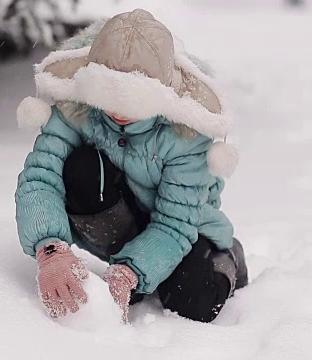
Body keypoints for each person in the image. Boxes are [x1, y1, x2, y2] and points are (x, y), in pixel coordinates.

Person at [15, 9, 247, 323]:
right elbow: (40, 177)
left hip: (181, 227)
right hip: (121, 215)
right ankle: (127, 260)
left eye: (132, 102)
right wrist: (50, 250)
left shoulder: (186, 134)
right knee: (80, 167)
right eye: (109, 96)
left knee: (191, 302)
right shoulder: (78, 107)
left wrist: (130, 273)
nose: (117, 112)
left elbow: (175, 225)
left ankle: (228, 259)